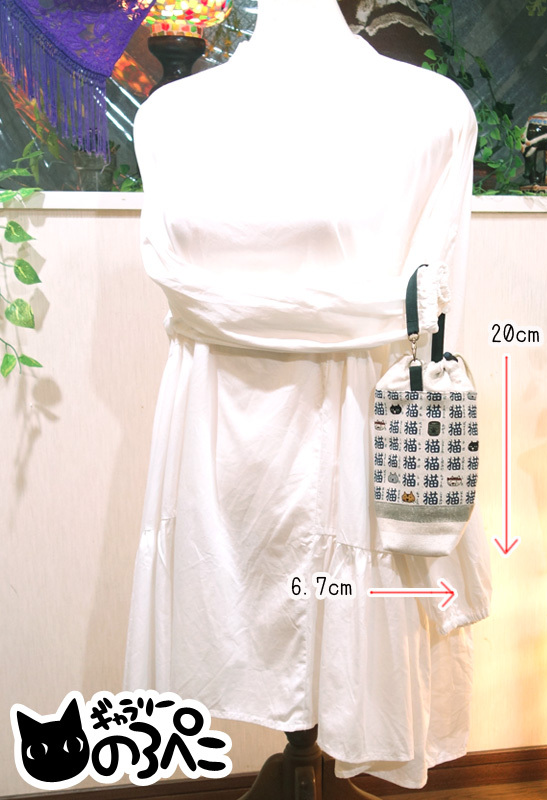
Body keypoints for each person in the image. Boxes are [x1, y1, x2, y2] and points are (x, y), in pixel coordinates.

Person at [123, 0, 491, 788]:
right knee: (236, 607)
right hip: (216, 438)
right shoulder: (167, 118)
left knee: (336, 610)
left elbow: (436, 302)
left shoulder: (433, 111)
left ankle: (312, 756)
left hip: (357, 425)